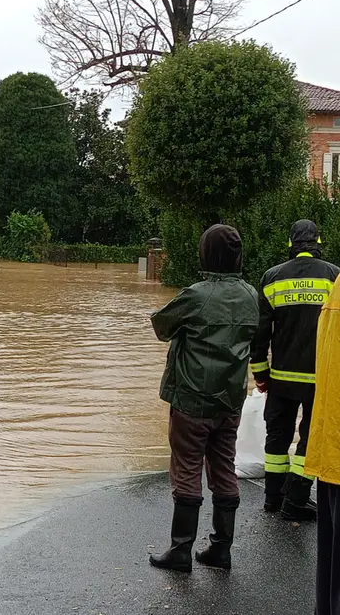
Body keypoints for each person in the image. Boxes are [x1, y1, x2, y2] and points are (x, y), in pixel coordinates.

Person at [149, 224, 259, 573]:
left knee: (186, 469)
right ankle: (220, 549)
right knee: (224, 467)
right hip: (230, 401)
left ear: (206, 254)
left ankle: (181, 550)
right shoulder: (251, 295)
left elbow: (161, 326)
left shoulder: (197, 295)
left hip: (192, 401)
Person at [250, 220, 340, 521]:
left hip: (281, 377)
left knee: (277, 437)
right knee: (311, 438)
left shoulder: (272, 278)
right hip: (321, 378)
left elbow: (260, 334)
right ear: (318, 242)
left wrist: (260, 375)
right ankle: (297, 499)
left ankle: (273, 498)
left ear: (290, 243)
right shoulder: (334, 277)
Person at [305, 275, 340, 615]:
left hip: (330, 443)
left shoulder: (338, 286)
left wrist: (261, 374)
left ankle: (283, 498)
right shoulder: (330, 276)